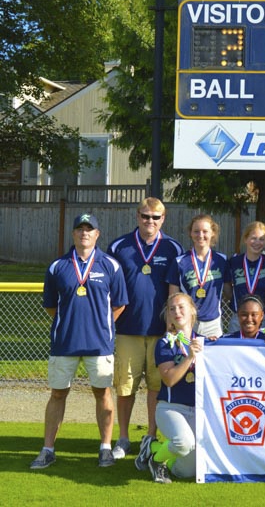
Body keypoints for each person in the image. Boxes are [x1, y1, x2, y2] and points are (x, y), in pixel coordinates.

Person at [31, 214, 128, 469]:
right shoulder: (57, 266)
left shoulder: (111, 265)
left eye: (89, 229)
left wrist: (99, 325)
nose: (84, 233)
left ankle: (105, 448)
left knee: (103, 392)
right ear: (73, 234)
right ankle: (48, 449)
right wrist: (72, 324)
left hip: (99, 344)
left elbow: (119, 305)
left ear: (97, 234)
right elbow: (51, 306)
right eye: (80, 229)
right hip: (65, 343)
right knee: (58, 394)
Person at [107, 197, 184, 460]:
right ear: (137, 216)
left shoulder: (173, 248)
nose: (149, 221)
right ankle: (124, 437)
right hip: (127, 329)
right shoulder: (119, 246)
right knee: (125, 387)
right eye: (145, 216)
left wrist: (173, 328)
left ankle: (150, 435)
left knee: (155, 387)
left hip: (161, 333)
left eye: (155, 217)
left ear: (163, 219)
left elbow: (176, 291)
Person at [137, 293, 203, 484]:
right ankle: (156, 461)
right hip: (171, 408)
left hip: (197, 410)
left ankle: (155, 447)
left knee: (185, 472)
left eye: (181, 307)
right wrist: (189, 357)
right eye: (172, 308)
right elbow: (169, 380)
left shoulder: (205, 341)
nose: (177, 312)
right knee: (184, 444)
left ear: (192, 310)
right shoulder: (165, 343)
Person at [167, 214, 228, 338]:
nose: (200, 235)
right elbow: (172, 297)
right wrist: (170, 325)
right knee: (187, 356)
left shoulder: (222, 260)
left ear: (213, 233)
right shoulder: (180, 262)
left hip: (213, 324)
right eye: (196, 231)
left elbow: (228, 291)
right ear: (190, 233)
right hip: (187, 322)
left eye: (205, 231)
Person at [223, 221, 265, 334]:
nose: (257, 242)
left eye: (261, 239)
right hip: (239, 318)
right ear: (245, 239)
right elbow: (227, 289)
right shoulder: (234, 262)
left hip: (264, 318)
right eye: (253, 238)